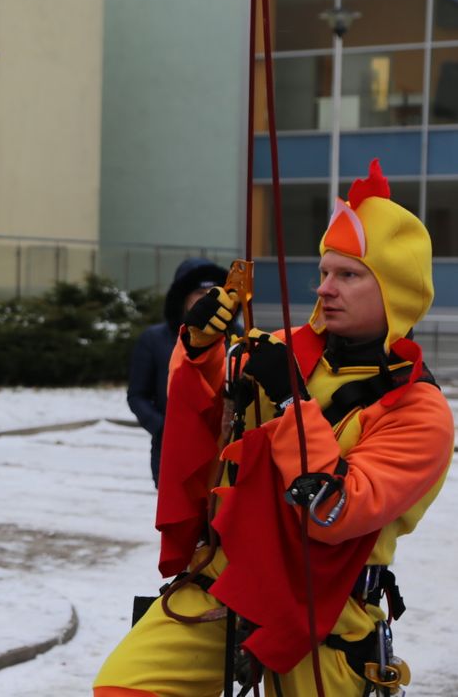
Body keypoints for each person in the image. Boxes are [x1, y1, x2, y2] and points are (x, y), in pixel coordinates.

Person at [94, 159, 453, 696]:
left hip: (326, 611)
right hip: (226, 583)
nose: (326, 289)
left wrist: (290, 402)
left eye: (349, 275)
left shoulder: (419, 413)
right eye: (325, 272)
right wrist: (199, 354)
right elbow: (206, 424)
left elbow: (336, 512)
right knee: (125, 687)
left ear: (395, 290)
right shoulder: (280, 349)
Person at [128, 258, 227, 488]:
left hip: (221, 452)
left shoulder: (236, 337)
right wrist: (164, 429)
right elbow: (137, 396)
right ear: (183, 298)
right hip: (171, 452)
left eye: (213, 293)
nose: (206, 300)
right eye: (200, 293)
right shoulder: (154, 340)